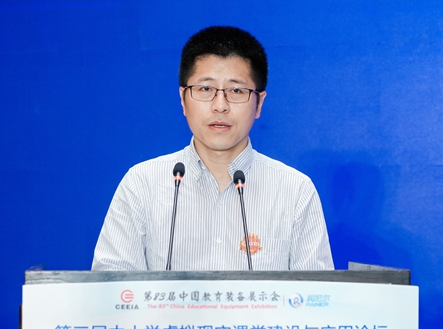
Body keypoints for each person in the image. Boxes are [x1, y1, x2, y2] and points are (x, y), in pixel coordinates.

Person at [92, 26, 333, 271]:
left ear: (259, 103)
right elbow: (112, 285)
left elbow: (317, 292)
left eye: (236, 90)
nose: (220, 106)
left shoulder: (295, 191)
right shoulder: (142, 184)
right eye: (206, 89)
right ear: (183, 99)